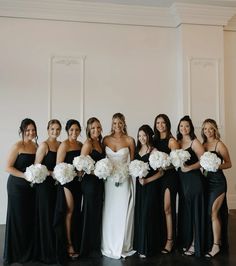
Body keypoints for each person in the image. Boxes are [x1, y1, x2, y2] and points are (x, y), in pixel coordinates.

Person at [101, 112, 136, 259]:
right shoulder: (105, 140)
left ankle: (123, 244)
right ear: (112, 124)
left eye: (120, 123)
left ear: (124, 123)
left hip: (124, 180)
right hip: (109, 180)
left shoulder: (130, 140)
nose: (117, 126)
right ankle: (108, 243)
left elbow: (133, 162)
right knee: (109, 211)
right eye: (114, 123)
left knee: (123, 211)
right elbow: (102, 160)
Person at [3, 118, 38, 265]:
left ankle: (27, 251)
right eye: (28, 130)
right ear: (22, 131)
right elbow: (8, 167)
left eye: (33, 129)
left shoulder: (36, 146)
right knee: (17, 219)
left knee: (28, 219)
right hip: (16, 187)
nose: (31, 132)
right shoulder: (17, 146)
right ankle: (16, 253)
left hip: (31, 188)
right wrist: (25, 176)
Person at [201, 118, 232, 258]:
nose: (208, 131)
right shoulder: (203, 144)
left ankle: (216, 246)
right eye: (205, 129)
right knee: (210, 213)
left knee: (214, 213)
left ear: (215, 130)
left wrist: (216, 166)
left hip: (218, 182)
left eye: (210, 128)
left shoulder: (219, 145)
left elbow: (229, 163)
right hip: (206, 182)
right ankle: (214, 240)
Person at [54, 119, 83, 261]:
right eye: (71, 130)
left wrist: (82, 171)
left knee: (76, 211)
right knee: (69, 211)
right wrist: (71, 173)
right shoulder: (64, 145)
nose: (74, 132)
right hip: (66, 182)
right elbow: (58, 167)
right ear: (67, 131)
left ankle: (75, 241)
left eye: (77, 130)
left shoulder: (80, 144)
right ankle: (68, 244)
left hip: (78, 183)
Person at [176, 115, 205, 257]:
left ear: (191, 127)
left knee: (194, 212)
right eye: (181, 126)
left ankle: (195, 244)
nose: (184, 128)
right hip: (182, 182)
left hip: (193, 180)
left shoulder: (195, 142)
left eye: (186, 126)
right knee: (185, 212)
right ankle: (186, 241)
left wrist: (190, 168)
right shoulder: (178, 142)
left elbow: (203, 161)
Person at [33, 119, 62, 264]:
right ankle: (45, 252)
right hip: (44, 185)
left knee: (55, 216)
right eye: (52, 129)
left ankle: (55, 249)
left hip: (57, 186)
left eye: (57, 129)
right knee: (45, 216)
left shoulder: (61, 145)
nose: (55, 132)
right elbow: (36, 167)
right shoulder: (44, 145)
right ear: (48, 130)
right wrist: (51, 173)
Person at [133, 124, 164, 258]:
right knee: (140, 215)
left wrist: (147, 181)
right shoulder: (136, 150)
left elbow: (161, 173)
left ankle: (148, 247)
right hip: (140, 188)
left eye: (144, 135)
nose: (141, 138)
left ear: (149, 136)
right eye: (139, 136)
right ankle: (139, 246)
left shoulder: (154, 151)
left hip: (150, 186)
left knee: (147, 215)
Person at [153, 114, 179, 254]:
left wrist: (163, 165)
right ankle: (161, 237)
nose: (160, 125)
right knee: (159, 208)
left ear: (167, 124)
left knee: (168, 208)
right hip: (157, 178)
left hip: (169, 177)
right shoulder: (154, 141)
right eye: (158, 123)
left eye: (163, 123)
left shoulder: (172, 141)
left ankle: (170, 240)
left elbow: (177, 163)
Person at [80, 117, 105, 257]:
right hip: (89, 183)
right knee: (89, 212)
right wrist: (95, 171)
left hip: (99, 182)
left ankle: (95, 244)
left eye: (98, 127)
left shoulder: (99, 143)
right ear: (89, 130)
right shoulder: (88, 144)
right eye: (93, 128)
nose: (96, 130)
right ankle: (86, 247)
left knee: (97, 212)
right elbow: (82, 166)